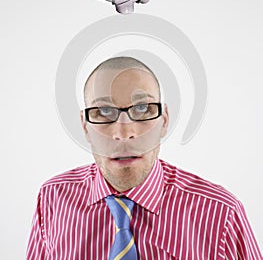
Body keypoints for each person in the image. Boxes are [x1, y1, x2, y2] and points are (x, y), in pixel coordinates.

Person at [26, 56, 262, 259]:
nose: (124, 133)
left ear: (164, 121)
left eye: (142, 109)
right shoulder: (52, 199)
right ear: (85, 126)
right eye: (104, 111)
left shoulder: (221, 214)